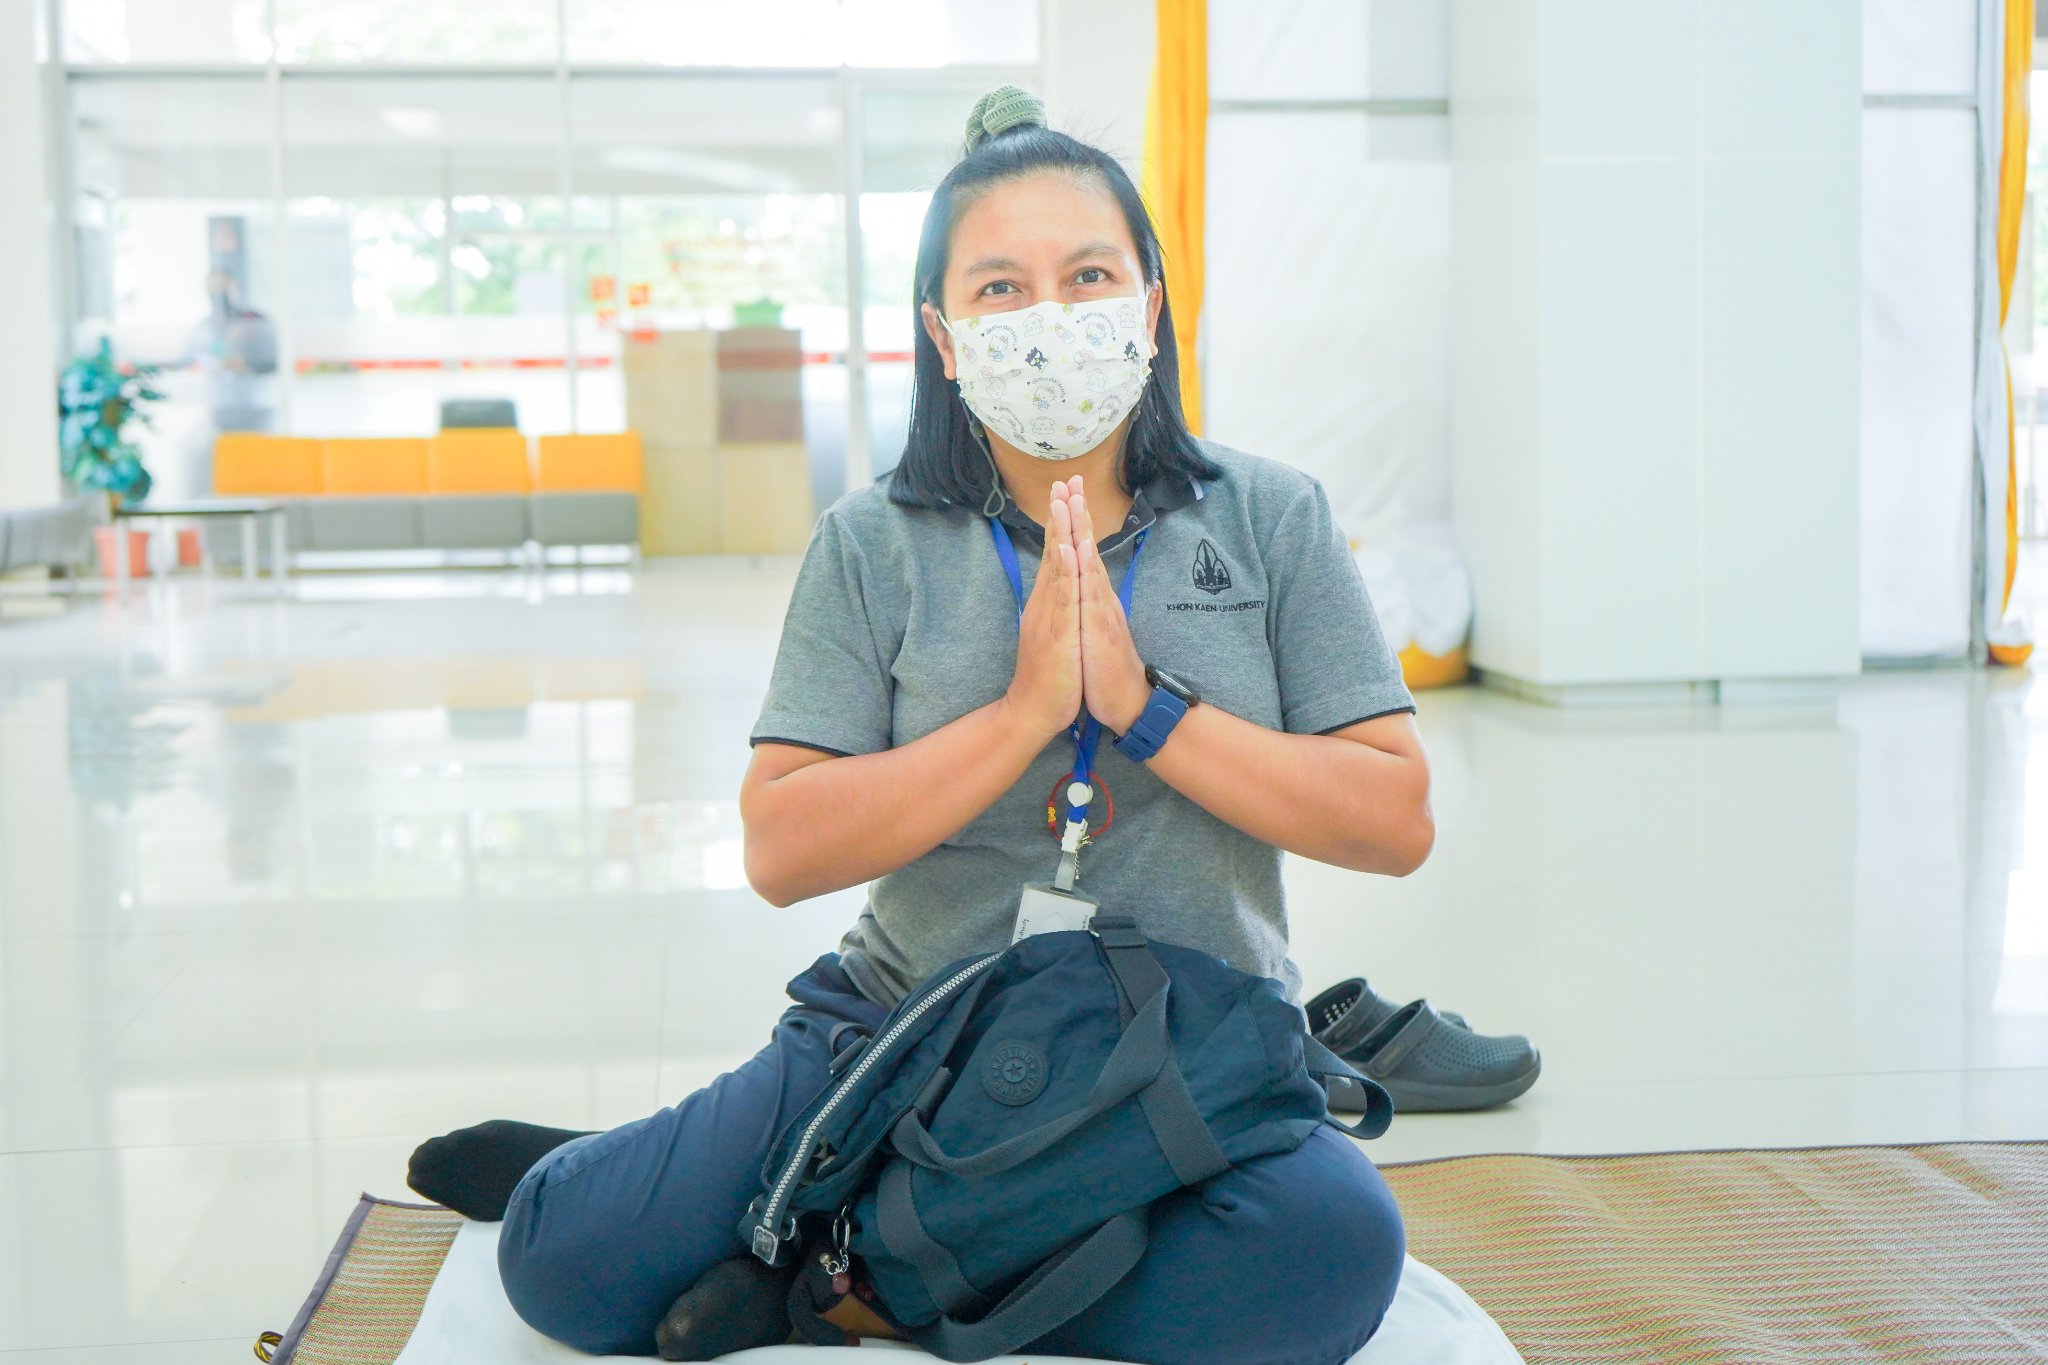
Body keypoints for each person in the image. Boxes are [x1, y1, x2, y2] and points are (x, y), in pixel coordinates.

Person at [407, 87, 1428, 1364]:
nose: (1048, 317)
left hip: (1182, 1049)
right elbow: (782, 849)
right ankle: (825, 1210)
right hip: (904, 1030)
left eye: (1088, 276)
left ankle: (839, 1272)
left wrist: (1142, 709)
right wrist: (1020, 716)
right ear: (943, 337)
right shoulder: (871, 541)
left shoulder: (1271, 517)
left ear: (1149, 307)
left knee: (1326, 1263)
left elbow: (1394, 821)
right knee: (563, 1261)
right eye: (1000, 289)